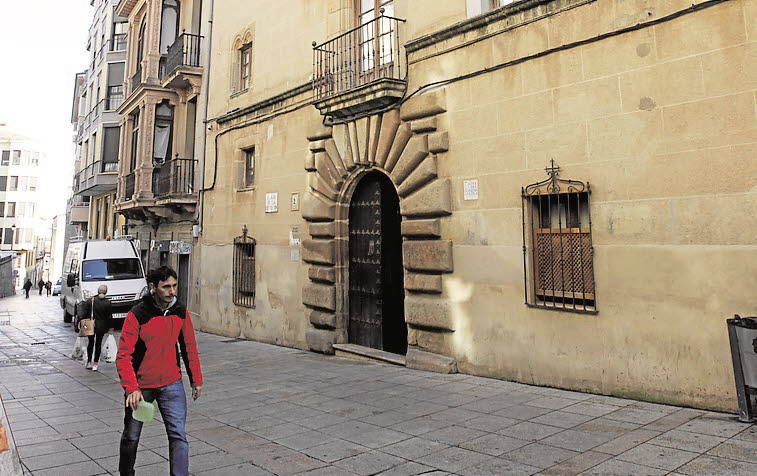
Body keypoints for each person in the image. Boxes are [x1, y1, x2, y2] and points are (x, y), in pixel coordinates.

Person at [116, 266, 203, 476]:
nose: (172, 291)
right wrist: (131, 388)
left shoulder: (180, 311)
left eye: (174, 286)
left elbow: (189, 346)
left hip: (172, 383)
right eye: (166, 287)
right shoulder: (137, 314)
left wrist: (196, 379)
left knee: (178, 436)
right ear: (153, 287)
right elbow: (123, 356)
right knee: (131, 437)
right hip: (142, 387)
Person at [80, 285, 113, 371]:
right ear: (106, 292)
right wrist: (110, 327)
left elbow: (84, 313)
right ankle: (95, 364)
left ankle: (89, 362)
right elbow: (109, 317)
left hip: (91, 324)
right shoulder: (107, 303)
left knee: (90, 343)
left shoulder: (91, 300)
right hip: (101, 326)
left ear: (98, 291)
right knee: (98, 344)